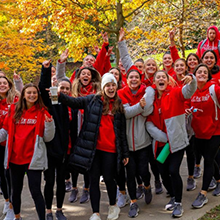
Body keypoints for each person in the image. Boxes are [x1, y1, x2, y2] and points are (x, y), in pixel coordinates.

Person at [57, 73, 129, 220]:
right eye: (108, 85)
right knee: (94, 179)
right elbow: (73, 102)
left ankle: (113, 206)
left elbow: (122, 132)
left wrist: (125, 153)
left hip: (111, 150)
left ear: (116, 87)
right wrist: (59, 95)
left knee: (109, 178)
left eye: (113, 85)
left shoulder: (118, 105)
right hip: (94, 149)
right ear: (103, 87)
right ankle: (95, 212)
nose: (111, 88)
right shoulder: (93, 100)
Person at [0, 83, 55, 220]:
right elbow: (5, 132)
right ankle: (17, 216)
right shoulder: (13, 110)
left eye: (34, 93)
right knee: (15, 191)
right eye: (29, 92)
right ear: (23, 95)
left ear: (38, 95)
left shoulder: (42, 111)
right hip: (14, 159)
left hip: (33, 160)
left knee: (36, 192)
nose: (32, 95)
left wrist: (49, 124)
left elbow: (48, 138)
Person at [146, 70, 197, 218]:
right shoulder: (151, 100)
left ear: (168, 81)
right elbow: (148, 122)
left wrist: (192, 80)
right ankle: (174, 196)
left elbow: (189, 91)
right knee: (163, 172)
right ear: (154, 82)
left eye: (164, 77)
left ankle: (179, 204)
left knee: (174, 170)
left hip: (177, 142)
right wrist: (162, 137)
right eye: (158, 77)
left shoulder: (175, 93)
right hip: (160, 145)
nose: (161, 79)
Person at [39, 60, 78, 220]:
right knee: (50, 182)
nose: (65, 91)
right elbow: (43, 88)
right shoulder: (53, 103)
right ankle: (48, 211)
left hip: (66, 151)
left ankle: (60, 210)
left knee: (61, 182)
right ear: (57, 90)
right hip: (51, 150)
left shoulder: (73, 106)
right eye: (62, 88)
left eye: (67, 88)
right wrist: (46, 70)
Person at [184, 64, 220, 209]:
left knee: (209, 160)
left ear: (208, 75)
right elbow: (185, 104)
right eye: (199, 72)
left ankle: (203, 194)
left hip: (215, 131)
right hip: (198, 133)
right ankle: (218, 180)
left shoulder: (214, 89)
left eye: (205, 72)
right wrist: (185, 109)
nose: (202, 74)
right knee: (208, 157)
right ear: (194, 74)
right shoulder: (191, 91)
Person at [0, 76, 19, 220]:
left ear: (9, 84)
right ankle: (7, 201)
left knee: (10, 176)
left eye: (4, 83)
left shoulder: (16, 99)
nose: (2, 85)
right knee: (1, 175)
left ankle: (13, 207)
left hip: (12, 144)